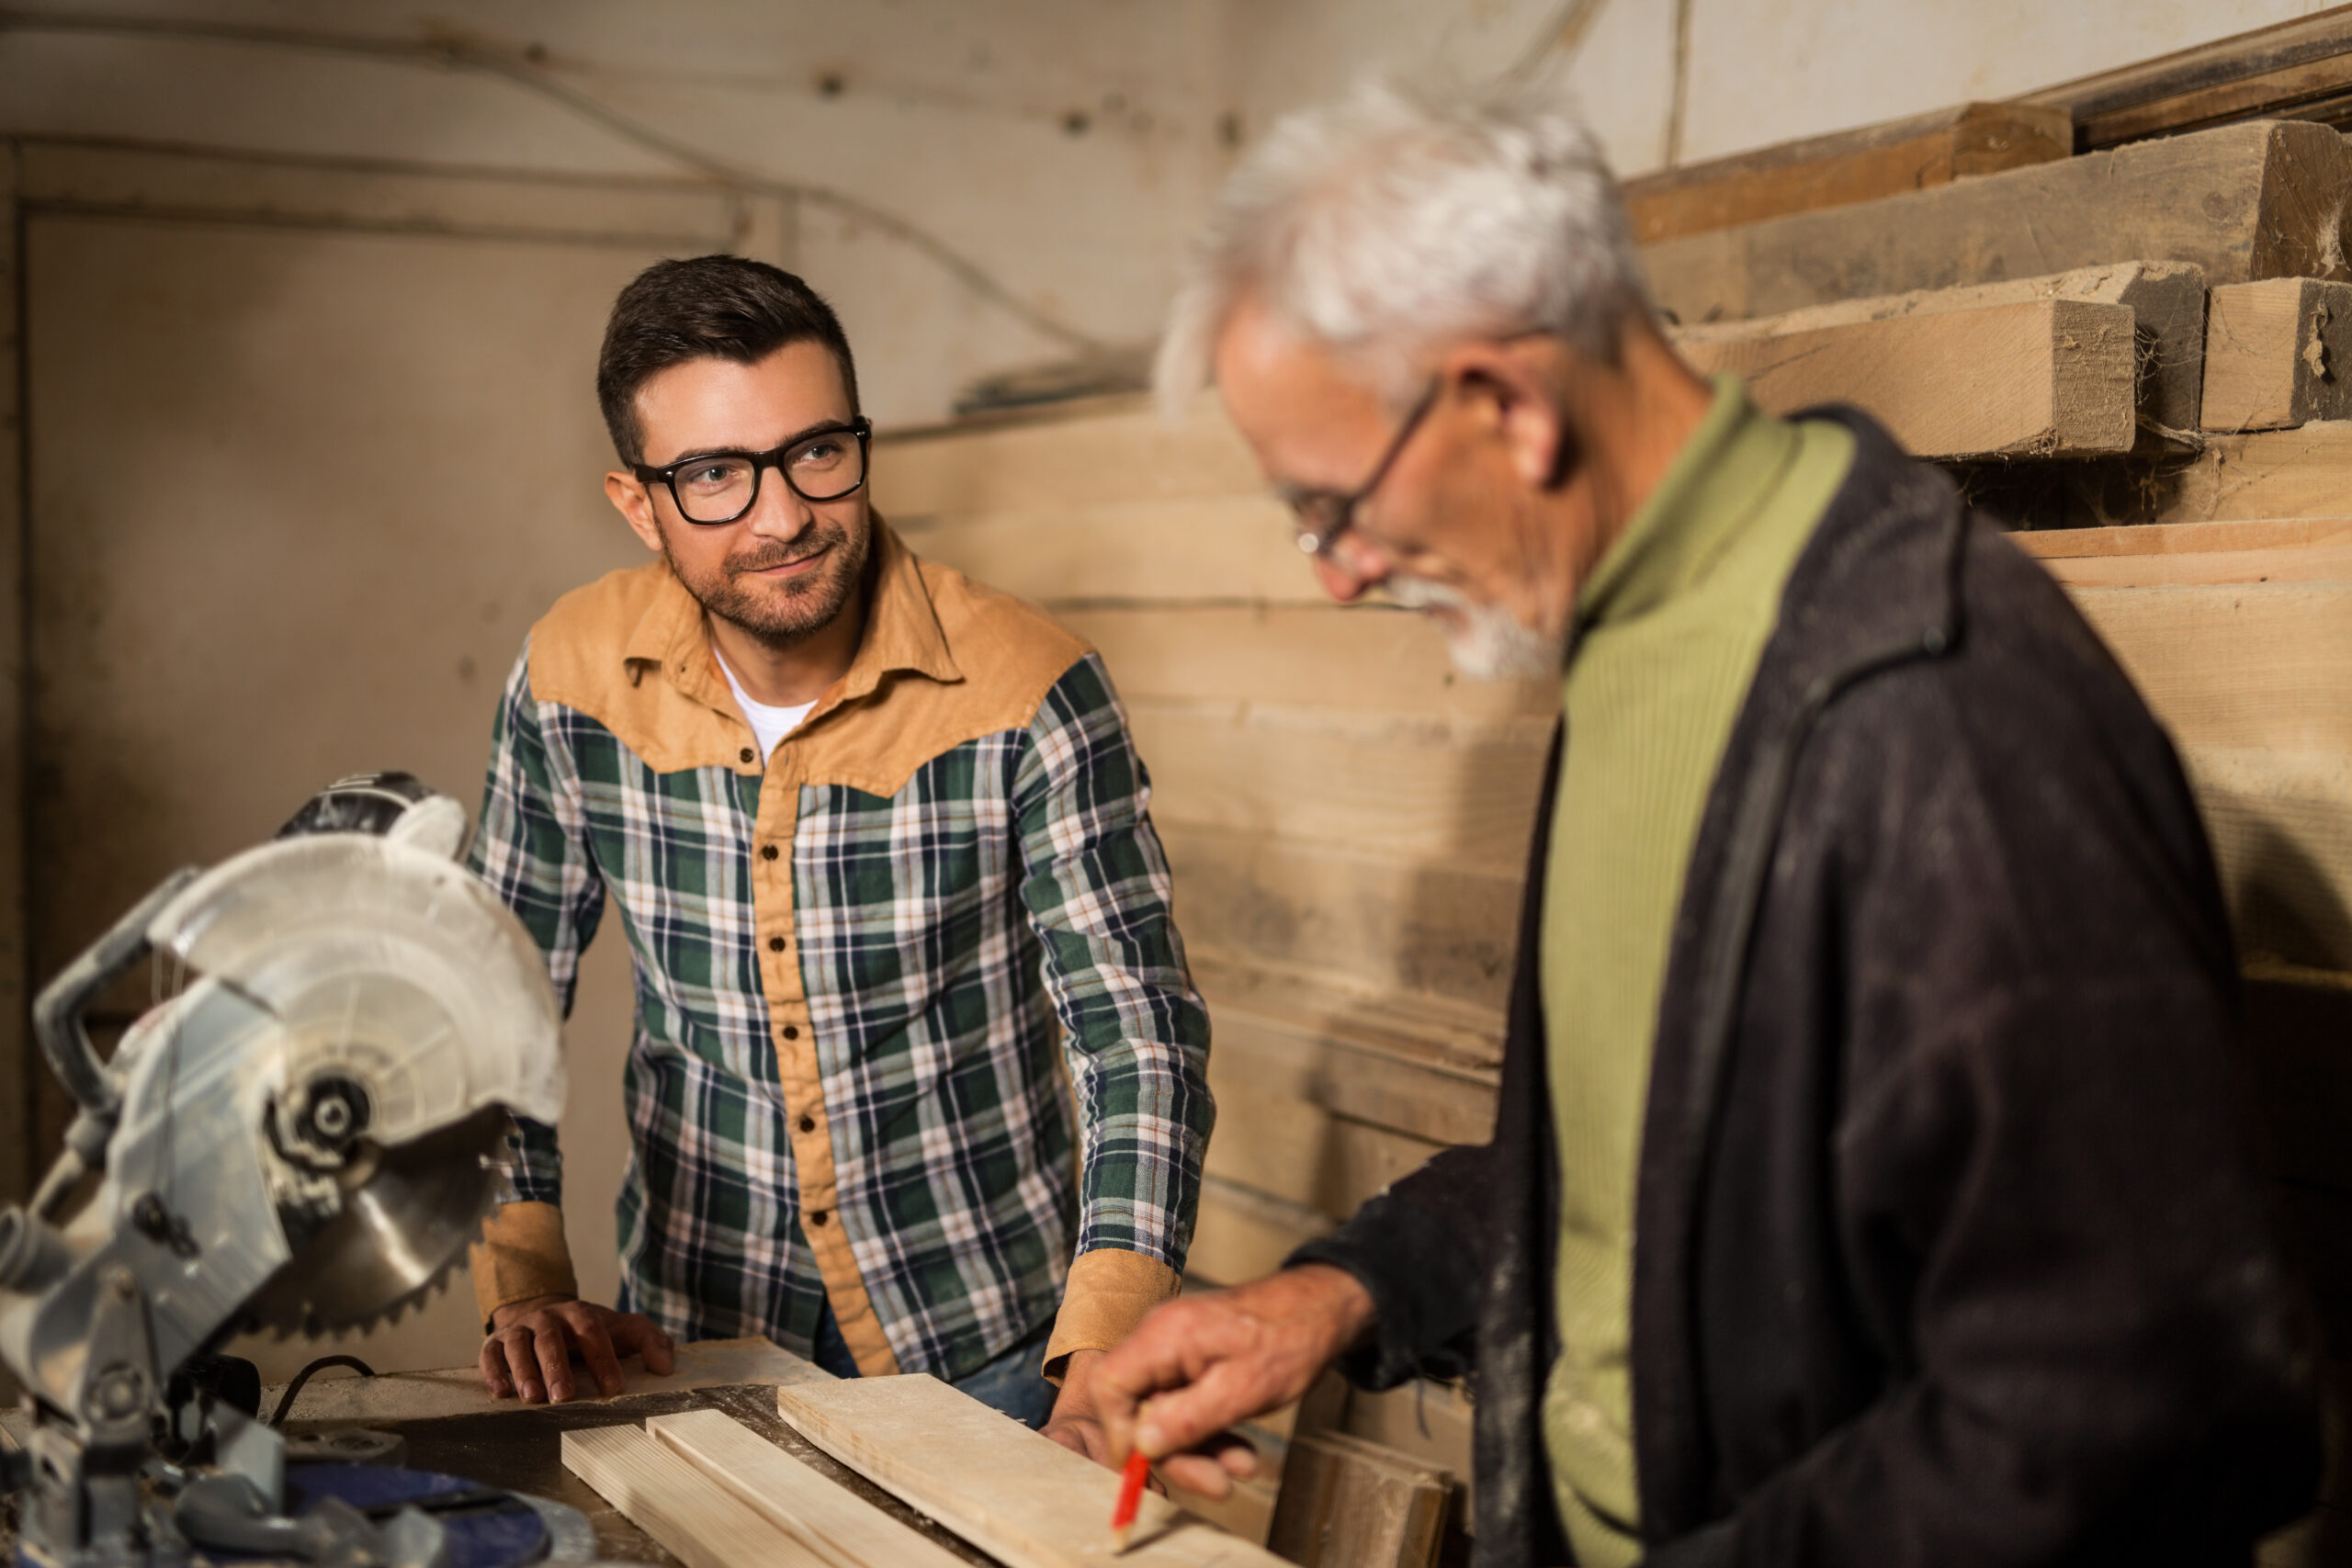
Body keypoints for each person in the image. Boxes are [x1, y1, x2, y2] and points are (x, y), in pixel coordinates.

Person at [1090, 81, 2320, 1566]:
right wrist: (1350, 1291)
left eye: (1335, 507)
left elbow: (2140, 1409)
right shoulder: (1641, 633)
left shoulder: (1945, 726)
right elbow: (1659, 1159)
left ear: (1507, 405)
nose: (1340, 577)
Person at [465, 255, 1213, 1450]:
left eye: (817, 451)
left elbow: (1138, 1038)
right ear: (636, 501)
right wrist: (524, 1272)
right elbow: (482, 1006)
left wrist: (1106, 1350)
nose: (782, 516)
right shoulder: (569, 678)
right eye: (714, 474)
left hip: (993, 1360)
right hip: (686, 1350)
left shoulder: (1029, 687)